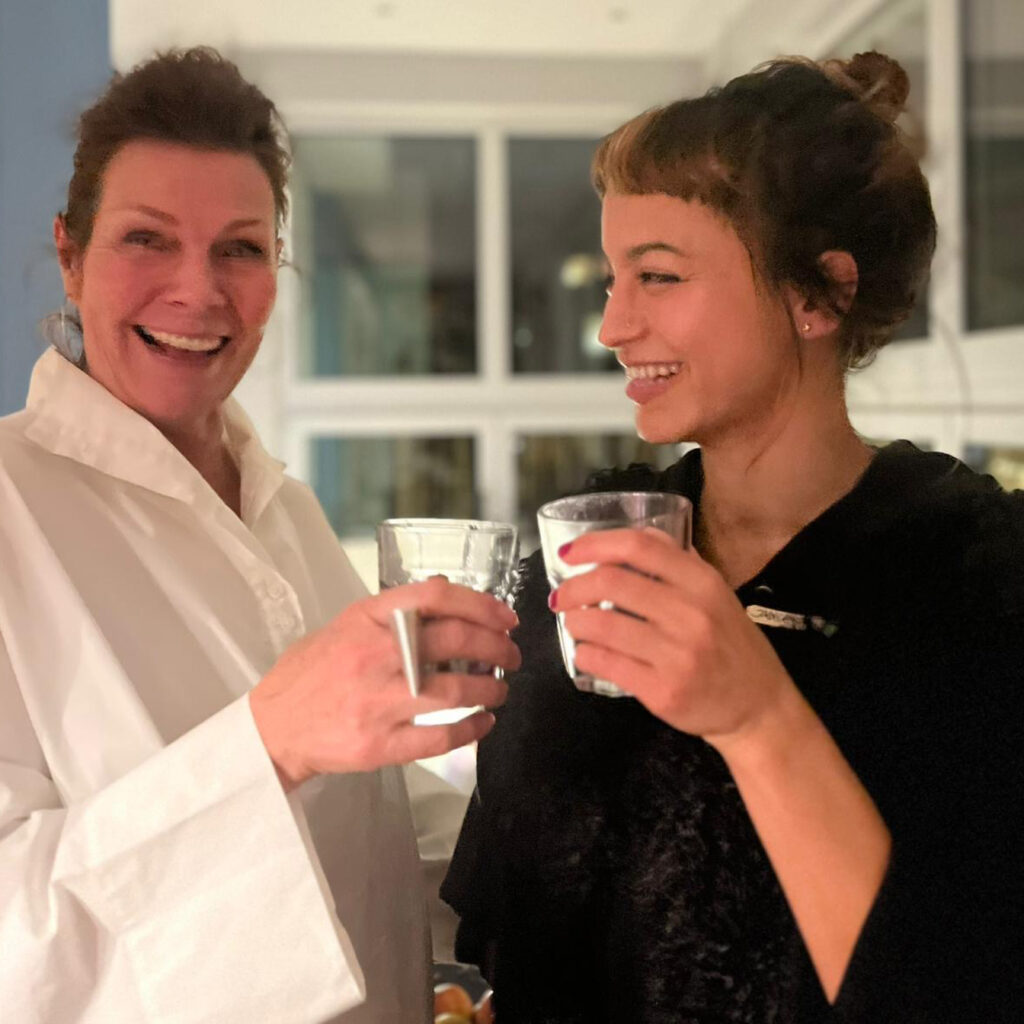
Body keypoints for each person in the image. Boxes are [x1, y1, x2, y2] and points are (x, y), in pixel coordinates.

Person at [442, 51, 1024, 1023]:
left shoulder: (976, 584)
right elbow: (518, 924)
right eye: (614, 279)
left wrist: (757, 714)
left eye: (658, 276)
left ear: (819, 295)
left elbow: (964, 981)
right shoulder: (586, 560)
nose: (613, 326)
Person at [0, 48, 519, 1023]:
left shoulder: (287, 509)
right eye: (146, 239)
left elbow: (368, 825)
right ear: (70, 254)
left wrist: (562, 836)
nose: (197, 290)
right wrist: (267, 740)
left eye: (239, 249)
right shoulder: (9, 507)